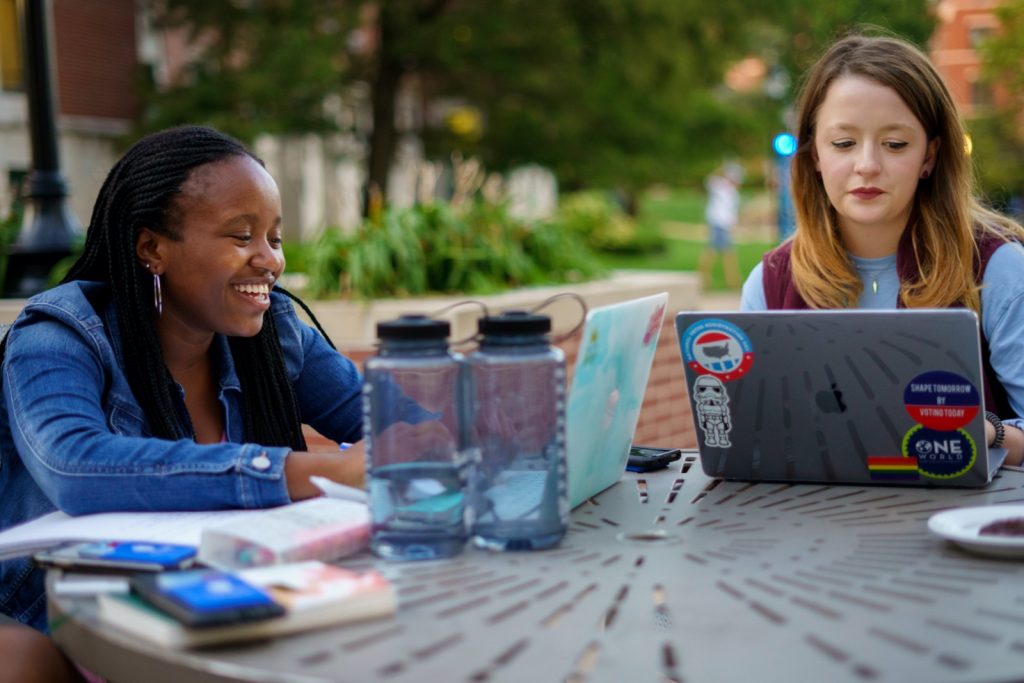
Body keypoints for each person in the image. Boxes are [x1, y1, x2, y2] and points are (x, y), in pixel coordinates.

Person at [0, 126, 366, 632]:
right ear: (152, 247)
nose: (270, 260)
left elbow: (398, 422)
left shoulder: (274, 333)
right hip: (65, 617)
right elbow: (75, 466)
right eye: (242, 236)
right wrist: (317, 473)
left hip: (220, 601)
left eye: (274, 237)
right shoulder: (59, 335)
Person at [740, 34, 1024, 466]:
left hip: (961, 520)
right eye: (843, 144)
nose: (867, 164)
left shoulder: (999, 270)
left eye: (895, 144)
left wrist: (986, 433)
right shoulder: (770, 281)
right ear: (814, 153)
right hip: (809, 521)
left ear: (930, 155)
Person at [699, 162, 743, 290]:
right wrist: (722, 168)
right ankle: (730, 280)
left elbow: (732, 212)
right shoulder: (720, 187)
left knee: (718, 251)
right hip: (718, 224)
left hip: (724, 226)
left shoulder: (734, 193)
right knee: (720, 252)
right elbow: (708, 180)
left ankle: (729, 280)